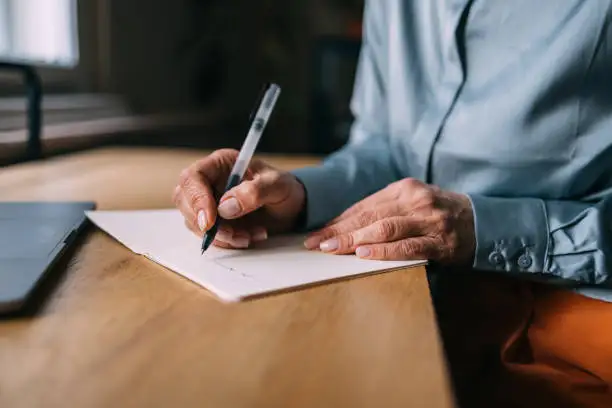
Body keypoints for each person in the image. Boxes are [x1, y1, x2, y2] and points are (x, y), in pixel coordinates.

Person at [173, 1, 612, 406]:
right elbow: (387, 148)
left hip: (577, 316)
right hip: (420, 297)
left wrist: (483, 227)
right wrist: (299, 196)